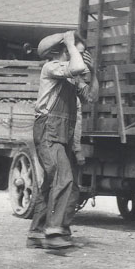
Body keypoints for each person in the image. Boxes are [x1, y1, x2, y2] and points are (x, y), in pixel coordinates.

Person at [27, 31, 98, 250]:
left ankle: (36, 233)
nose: (81, 58)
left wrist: (93, 71)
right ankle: (53, 232)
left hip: (62, 134)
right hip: (48, 130)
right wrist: (70, 42)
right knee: (62, 176)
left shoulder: (70, 78)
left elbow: (92, 97)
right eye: (78, 52)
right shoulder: (51, 67)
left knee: (53, 183)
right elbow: (76, 67)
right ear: (64, 51)